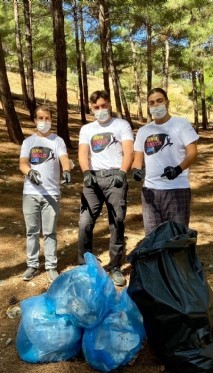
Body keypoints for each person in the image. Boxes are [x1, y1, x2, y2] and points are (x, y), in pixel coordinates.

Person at [78, 90, 134, 287]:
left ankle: (115, 265)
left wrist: (122, 172)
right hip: (93, 179)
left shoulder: (121, 125)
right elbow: (83, 153)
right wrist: (86, 173)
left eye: (103, 106)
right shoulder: (86, 129)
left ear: (109, 104)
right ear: (91, 109)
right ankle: (84, 263)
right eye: (96, 107)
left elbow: (129, 151)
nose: (100, 110)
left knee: (117, 221)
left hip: (115, 178)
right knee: (85, 221)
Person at [132, 87, 199, 235]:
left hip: (177, 189)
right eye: (151, 103)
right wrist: (136, 170)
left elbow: (193, 153)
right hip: (150, 190)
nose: (156, 105)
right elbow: (137, 159)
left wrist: (178, 169)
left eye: (159, 101)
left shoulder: (181, 124)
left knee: (177, 236)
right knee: (152, 237)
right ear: (148, 107)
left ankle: (177, 259)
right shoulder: (144, 131)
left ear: (167, 103)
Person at [19, 105, 71, 283]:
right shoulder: (28, 142)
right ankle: (32, 265)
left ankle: (51, 266)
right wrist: (29, 172)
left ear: (51, 120)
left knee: (50, 232)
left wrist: (66, 170)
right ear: (35, 120)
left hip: (51, 194)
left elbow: (64, 158)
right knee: (32, 231)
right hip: (31, 193)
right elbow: (23, 163)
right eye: (40, 118)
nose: (44, 121)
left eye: (47, 118)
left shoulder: (58, 141)